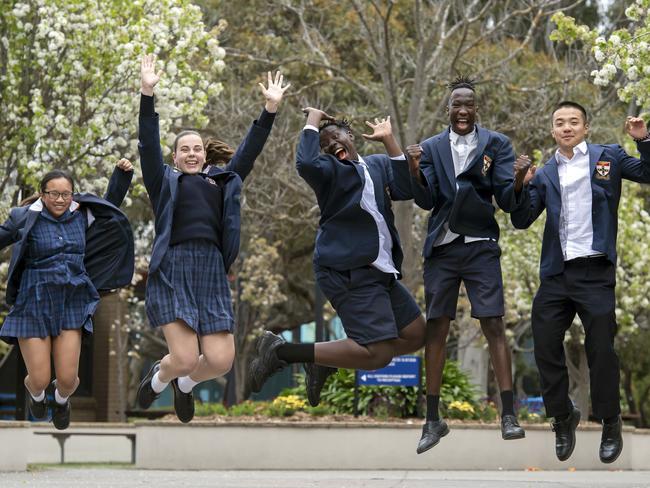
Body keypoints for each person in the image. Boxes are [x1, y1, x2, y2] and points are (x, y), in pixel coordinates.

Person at [135, 55, 290, 423]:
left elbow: (248, 153)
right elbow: (146, 143)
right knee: (186, 357)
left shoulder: (221, 181)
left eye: (197, 149)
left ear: (205, 155)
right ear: (175, 157)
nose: (191, 153)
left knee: (220, 360)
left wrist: (269, 109)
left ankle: (184, 386)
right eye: (184, 149)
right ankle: (161, 376)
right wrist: (147, 93)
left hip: (211, 270)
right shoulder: (164, 182)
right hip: (174, 266)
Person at [247, 108, 426, 407]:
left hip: (381, 272)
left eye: (336, 137)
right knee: (377, 355)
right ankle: (280, 352)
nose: (331, 144)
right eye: (325, 143)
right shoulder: (330, 171)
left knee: (417, 333)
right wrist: (313, 120)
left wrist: (389, 140)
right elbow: (305, 163)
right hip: (347, 271)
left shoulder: (377, 165)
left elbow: (406, 188)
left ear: (350, 137)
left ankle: (323, 360)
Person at [510, 101, 650, 463]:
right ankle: (562, 416)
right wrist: (518, 185)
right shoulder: (544, 173)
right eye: (560, 123)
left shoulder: (610, 156)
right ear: (553, 131)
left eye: (574, 121)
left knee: (601, 349)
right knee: (543, 344)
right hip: (556, 274)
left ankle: (610, 421)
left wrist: (644, 139)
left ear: (586, 128)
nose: (567, 127)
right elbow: (522, 219)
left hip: (595, 271)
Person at [404, 76, 529, 454]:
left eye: (468, 105)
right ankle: (432, 420)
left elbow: (506, 200)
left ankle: (508, 415)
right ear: (448, 110)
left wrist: (521, 177)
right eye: (456, 105)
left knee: (493, 322)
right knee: (436, 328)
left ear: (477, 109)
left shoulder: (497, 144)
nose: (462, 111)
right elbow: (425, 200)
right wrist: (412, 168)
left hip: (479, 244)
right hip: (442, 247)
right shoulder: (430, 147)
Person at [0, 160, 134, 430]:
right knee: (39, 378)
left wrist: (122, 176)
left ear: (72, 194)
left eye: (65, 194)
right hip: (33, 300)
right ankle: (35, 393)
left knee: (68, 379)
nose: (60, 199)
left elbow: (110, 206)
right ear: (42, 194)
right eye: (53, 194)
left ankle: (61, 401)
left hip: (71, 300)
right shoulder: (24, 217)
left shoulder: (82, 215)